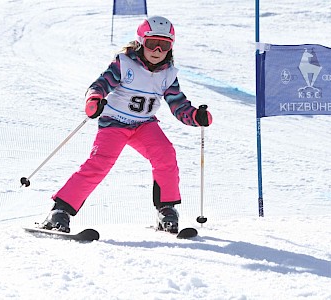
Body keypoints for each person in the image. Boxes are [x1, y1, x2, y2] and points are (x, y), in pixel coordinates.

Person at [41, 16, 212, 234]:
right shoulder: (124, 63)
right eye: (152, 44)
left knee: (165, 154)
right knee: (99, 163)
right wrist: (94, 100)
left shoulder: (168, 74)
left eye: (165, 45)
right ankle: (60, 211)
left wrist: (196, 116)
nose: (158, 50)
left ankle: (166, 210)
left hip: (144, 125)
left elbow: (178, 104)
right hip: (114, 123)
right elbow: (101, 84)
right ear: (141, 42)